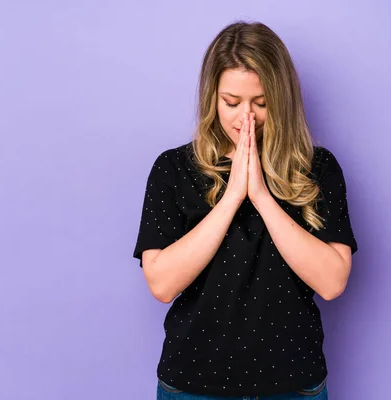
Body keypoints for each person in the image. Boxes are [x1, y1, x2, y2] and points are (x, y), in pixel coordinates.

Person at [133, 21, 358, 400]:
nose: (245, 118)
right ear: (212, 98)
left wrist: (263, 197)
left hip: (292, 385)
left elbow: (333, 282)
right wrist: (232, 197)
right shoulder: (172, 169)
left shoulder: (318, 168)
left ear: (281, 99)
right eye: (232, 103)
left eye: (262, 103)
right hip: (193, 386)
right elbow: (161, 284)